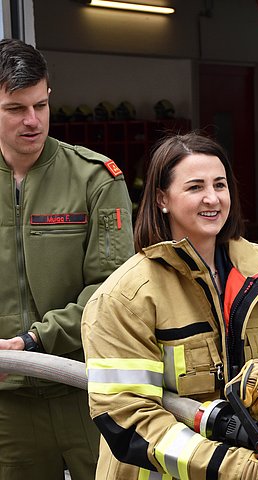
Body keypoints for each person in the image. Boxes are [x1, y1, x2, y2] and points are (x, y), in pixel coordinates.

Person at [81, 132, 258, 480]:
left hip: (252, 465)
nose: (212, 198)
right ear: (162, 198)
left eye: (220, 185)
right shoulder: (126, 296)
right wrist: (228, 466)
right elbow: (128, 419)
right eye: (195, 187)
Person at [0, 38, 135, 480]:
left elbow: (111, 289)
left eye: (40, 104)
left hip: (84, 390)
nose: (32, 121)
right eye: (15, 108)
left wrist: (34, 342)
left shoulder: (94, 179)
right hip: (8, 402)